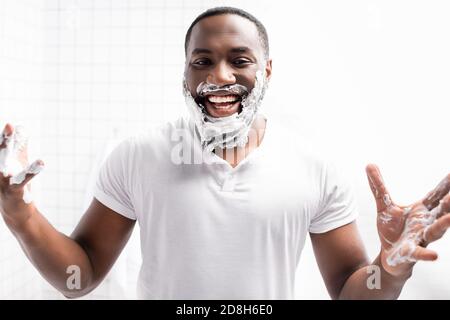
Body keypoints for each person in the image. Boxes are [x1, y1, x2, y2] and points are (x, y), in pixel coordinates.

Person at [0, 6, 449, 300]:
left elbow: (353, 293)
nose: (219, 75)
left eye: (240, 59)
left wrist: (389, 271)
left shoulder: (315, 169)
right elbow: (79, 277)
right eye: (202, 61)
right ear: (185, 74)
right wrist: (20, 215)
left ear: (267, 70)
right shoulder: (136, 157)